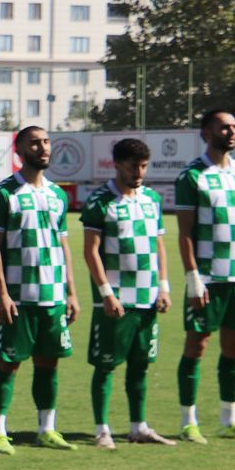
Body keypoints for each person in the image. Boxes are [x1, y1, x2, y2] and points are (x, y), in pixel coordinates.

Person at [0, 125, 80, 454]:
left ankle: (47, 429)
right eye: (35, 143)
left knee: (49, 362)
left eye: (46, 142)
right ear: (19, 150)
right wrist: (1, 293)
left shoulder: (57, 195)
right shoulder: (4, 194)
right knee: (8, 362)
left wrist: (71, 292)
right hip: (18, 297)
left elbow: (63, 245)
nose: (43, 148)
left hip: (52, 295)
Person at [174, 110, 235, 441]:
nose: (231, 132)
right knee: (197, 345)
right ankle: (188, 421)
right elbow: (185, 233)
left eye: (234, 127)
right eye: (223, 127)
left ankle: (230, 418)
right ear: (206, 133)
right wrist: (193, 278)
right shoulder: (192, 176)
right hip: (208, 277)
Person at [81, 138, 175, 448]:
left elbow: (158, 245)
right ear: (117, 164)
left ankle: (139, 427)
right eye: (134, 166)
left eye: (144, 166)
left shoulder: (151, 199)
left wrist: (163, 286)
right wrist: (106, 293)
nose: (139, 172)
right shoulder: (100, 201)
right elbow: (90, 251)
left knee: (140, 364)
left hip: (147, 298)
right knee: (106, 365)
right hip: (116, 300)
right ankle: (102, 430)